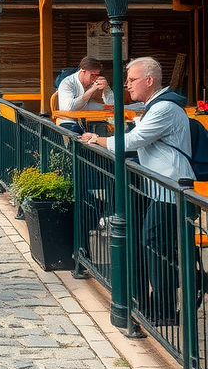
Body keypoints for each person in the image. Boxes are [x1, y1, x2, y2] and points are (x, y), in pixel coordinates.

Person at [81, 57, 193, 325]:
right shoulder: (153, 106)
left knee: (157, 246)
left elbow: (133, 140)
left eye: (131, 80)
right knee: (154, 244)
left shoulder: (163, 108)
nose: (128, 85)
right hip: (159, 188)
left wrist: (98, 139)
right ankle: (157, 303)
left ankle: (166, 310)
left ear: (149, 80)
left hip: (170, 189)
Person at [57, 56, 110, 135]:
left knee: (106, 127)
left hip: (89, 120)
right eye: (92, 75)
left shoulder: (94, 81)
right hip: (69, 122)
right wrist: (91, 91)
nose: (95, 78)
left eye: (97, 75)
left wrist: (106, 89)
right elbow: (68, 108)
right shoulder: (67, 83)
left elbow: (111, 104)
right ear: (82, 71)